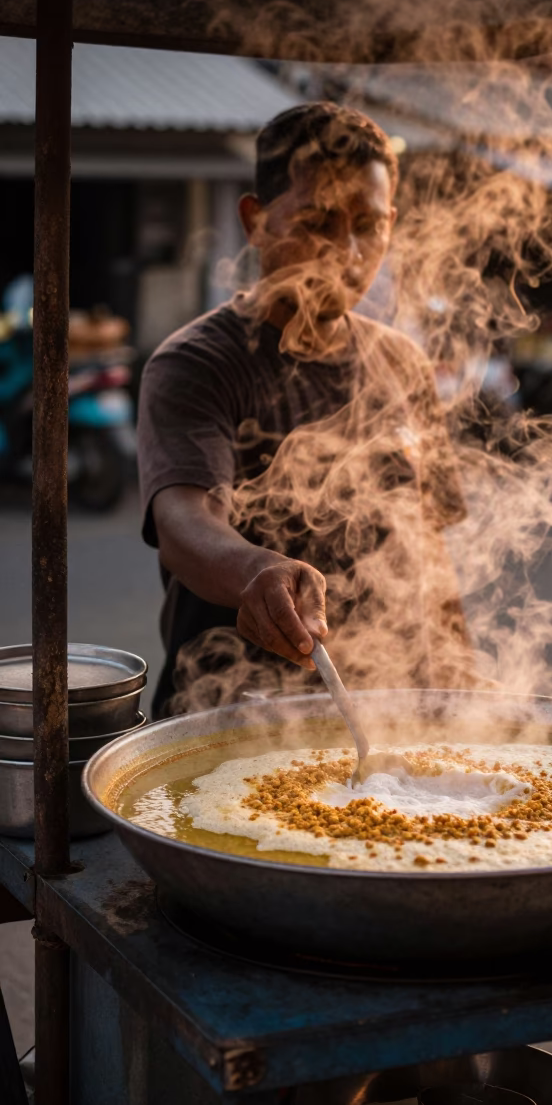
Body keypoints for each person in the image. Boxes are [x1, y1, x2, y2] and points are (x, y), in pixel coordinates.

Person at [137, 103, 466, 718]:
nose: (346, 250)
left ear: (391, 222)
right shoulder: (196, 363)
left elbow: (431, 554)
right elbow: (185, 524)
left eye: (367, 225)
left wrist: (460, 683)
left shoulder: (403, 363)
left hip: (387, 715)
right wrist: (257, 570)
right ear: (256, 221)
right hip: (229, 716)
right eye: (318, 221)